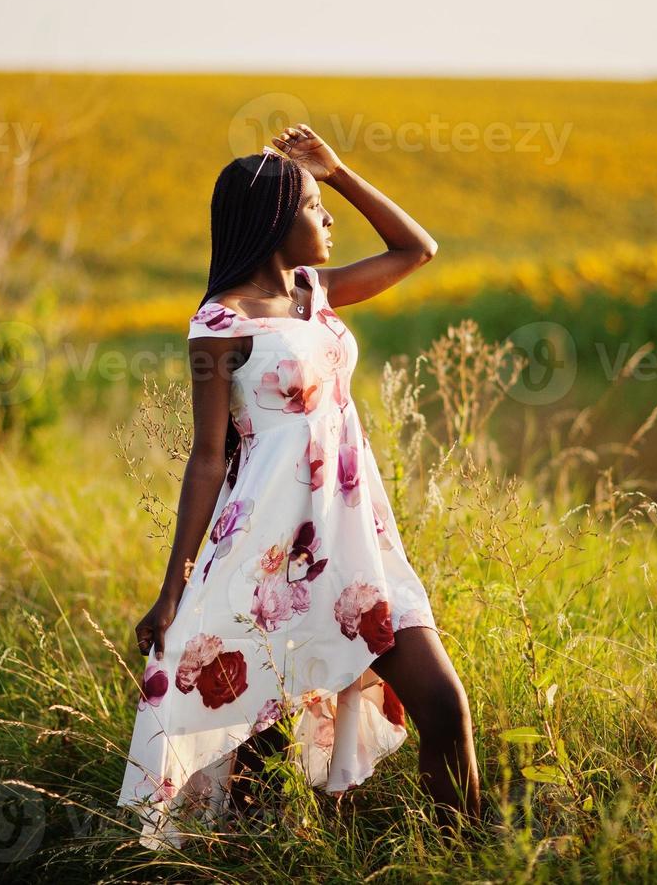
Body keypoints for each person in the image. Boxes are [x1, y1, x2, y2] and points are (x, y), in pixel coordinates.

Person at [116, 123, 482, 849]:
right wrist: (172, 588)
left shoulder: (316, 295)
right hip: (269, 560)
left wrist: (337, 171)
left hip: (358, 546)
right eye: (314, 208)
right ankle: (261, 860)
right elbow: (207, 461)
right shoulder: (217, 325)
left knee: (444, 706)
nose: (328, 220)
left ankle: (471, 856)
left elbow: (417, 250)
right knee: (257, 745)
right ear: (273, 223)